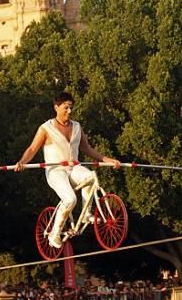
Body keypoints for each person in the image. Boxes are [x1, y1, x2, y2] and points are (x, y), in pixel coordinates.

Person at [15, 92, 120, 248]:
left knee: (91, 176)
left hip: (74, 168)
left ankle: (86, 215)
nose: (69, 111)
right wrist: (22, 162)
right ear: (56, 107)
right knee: (70, 199)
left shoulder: (77, 126)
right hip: (56, 171)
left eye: (71, 107)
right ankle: (54, 233)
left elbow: (88, 149)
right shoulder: (46, 128)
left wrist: (108, 160)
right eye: (66, 107)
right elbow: (32, 149)